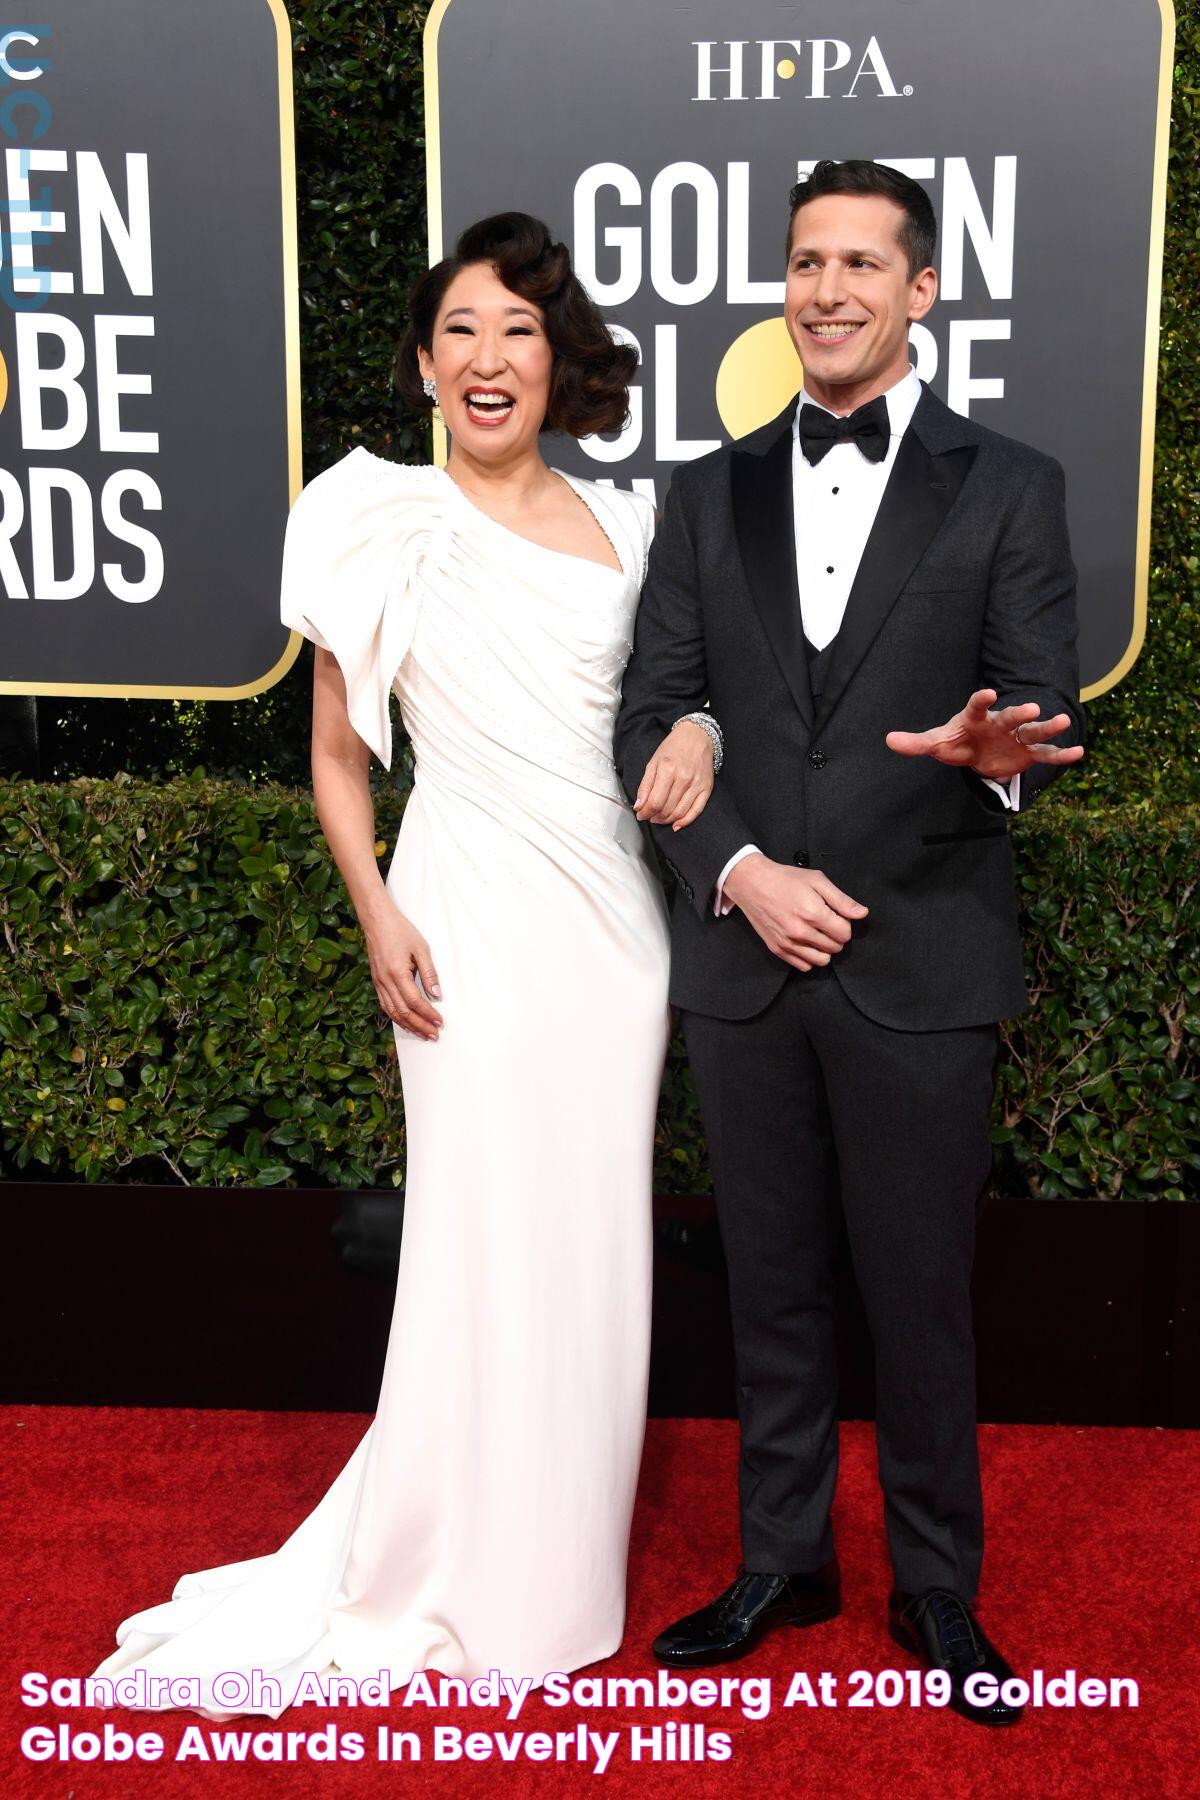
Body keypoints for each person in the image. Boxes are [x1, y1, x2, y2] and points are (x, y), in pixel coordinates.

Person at [88, 212, 712, 1721]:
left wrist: (700, 731)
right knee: (474, 1242)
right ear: (424, 365)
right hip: (465, 912)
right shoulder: (374, 519)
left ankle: (557, 1577)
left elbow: (687, 703)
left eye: (518, 330)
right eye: (462, 332)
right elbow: (335, 759)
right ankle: (447, 1563)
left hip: (614, 934)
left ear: (559, 360)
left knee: (593, 1249)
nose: (490, 358)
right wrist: (377, 913)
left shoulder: (635, 524)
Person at [613, 160, 1085, 1728]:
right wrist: (738, 868)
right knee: (774, 1288)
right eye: (806, 263)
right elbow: (652, 712)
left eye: (860, 265)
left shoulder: (1011, 483)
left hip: (922, 951)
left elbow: (1041, 711)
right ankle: (782, 1560)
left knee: (920, 1291)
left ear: (921, 290)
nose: (826, 291)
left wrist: (987, 750)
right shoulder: (707, 487)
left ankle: (936, 1586)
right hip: (749, 957)